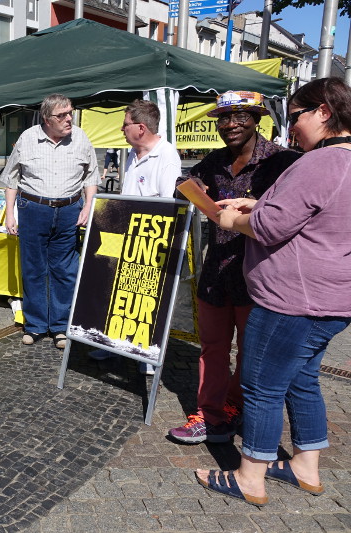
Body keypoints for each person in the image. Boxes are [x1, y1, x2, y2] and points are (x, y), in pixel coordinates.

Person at [196, 77, 351, 506]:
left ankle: (250, 476)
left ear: (324, 112)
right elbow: (312, 214)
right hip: (334, 298)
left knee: (262, 385)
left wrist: (234, 220)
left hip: (293, 300)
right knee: (303, 379)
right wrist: (257, 205)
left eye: (296, 116)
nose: (292, 127)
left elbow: (270, 227)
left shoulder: (317, 163)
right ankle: (305, 465)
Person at [168, 91, 301, 444]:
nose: (231, 125)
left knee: (251, 351)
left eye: (241, 116)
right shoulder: (211, 162)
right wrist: (189, 188)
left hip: (261, 273)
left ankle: (236, 408)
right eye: (224, 118)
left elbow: (296, 212)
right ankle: (209, 415)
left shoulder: (283, 161)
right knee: (212, 346)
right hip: (216, 271)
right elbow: (181, 189)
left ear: (258, 118)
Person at [88, 99, 182, 374]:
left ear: (140, 128)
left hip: (148, 241)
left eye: (125, 124)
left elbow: (167, 205)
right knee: (116, 294)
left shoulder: (166, 155)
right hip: (123, 235)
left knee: (143, 300)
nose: (121, 129)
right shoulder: (132, 153)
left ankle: (145, 355)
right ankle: (111, 343)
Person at [1, 93, 99, 350]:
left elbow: (91, 176)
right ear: (46, 119)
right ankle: (34, 325)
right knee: (33, 268)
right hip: (33, 208)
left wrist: (88, 205)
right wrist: (10, 213)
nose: (69, 119)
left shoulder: (81, 138)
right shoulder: (28, 138)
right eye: (62, 115)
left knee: (65, 270)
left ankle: (60, 326)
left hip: (69, 210)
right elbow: (12, 179)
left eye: (70, 113)